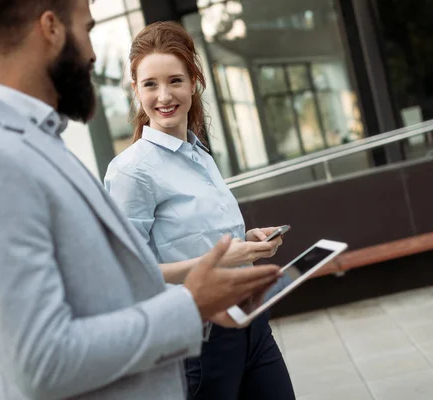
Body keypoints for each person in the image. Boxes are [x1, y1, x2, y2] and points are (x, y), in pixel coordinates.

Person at [0, 2, 282, 399]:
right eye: (88, 28)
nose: (93, 53)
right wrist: (192, 305)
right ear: (51, 28)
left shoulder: (38, 144)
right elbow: (41, 361)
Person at [104, 21, 296, 400]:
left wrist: (246, 243)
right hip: (199, 342)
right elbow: (128, 277)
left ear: (194, 82)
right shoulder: (130, 172)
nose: (164, 96)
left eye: (175, 80)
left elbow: (193, 239)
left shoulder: (199, 153)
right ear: (135, 91)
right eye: (150, 84)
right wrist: (223, 259)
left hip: (252, 325)